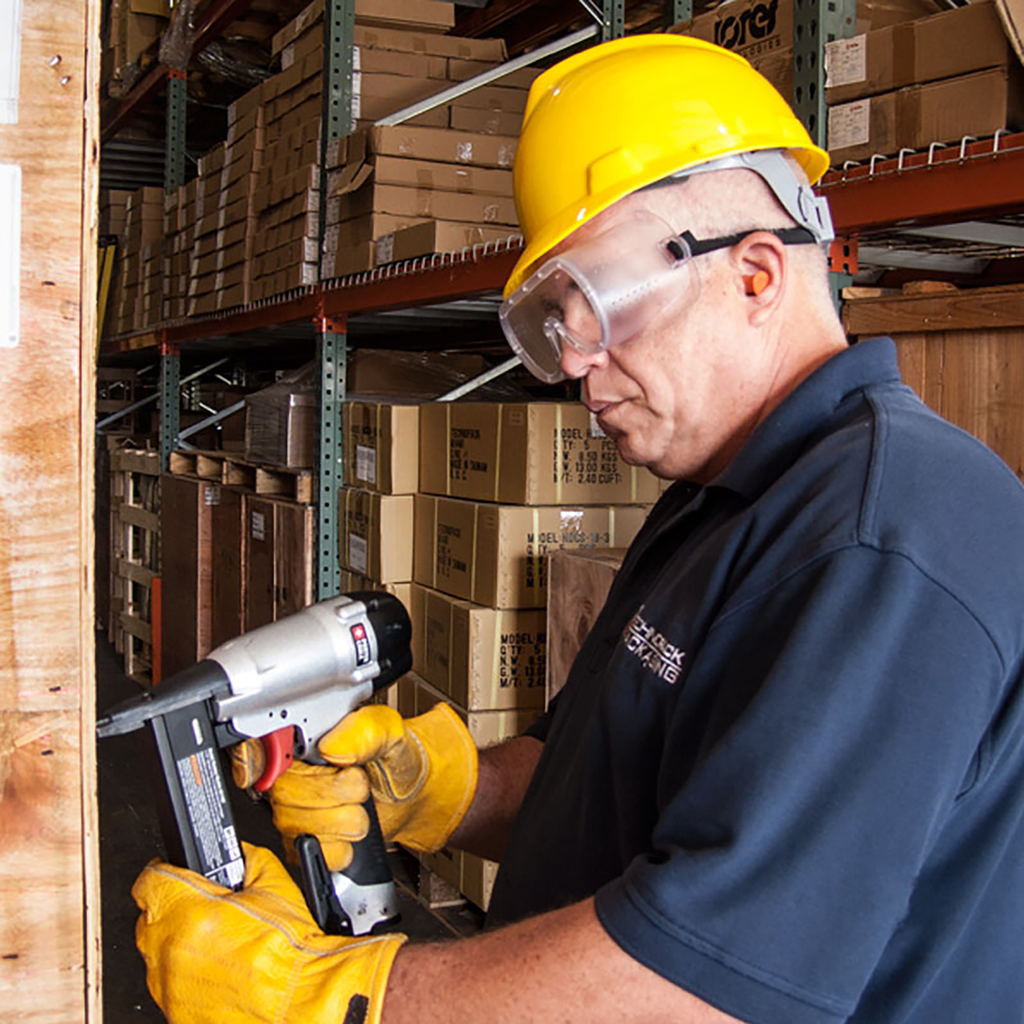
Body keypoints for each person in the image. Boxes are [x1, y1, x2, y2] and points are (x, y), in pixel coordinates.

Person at [131, 34, 1024, 1024]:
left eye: (599, 306)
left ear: (757, 275)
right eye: (555, 325)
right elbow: (611, 772)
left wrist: (324, 998)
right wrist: (445, 789)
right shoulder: (719, 492)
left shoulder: (881, 539)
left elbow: (702, 987)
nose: (576, 368)